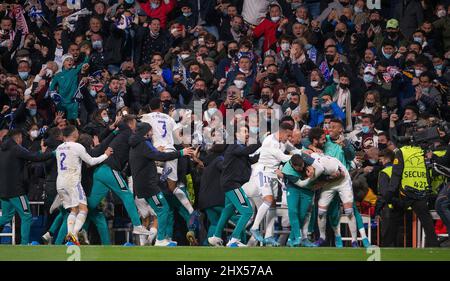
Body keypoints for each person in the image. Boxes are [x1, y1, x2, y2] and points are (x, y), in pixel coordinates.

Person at [140, 98, 200, 244]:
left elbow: (136, 129)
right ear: (161, 106)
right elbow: (178, 138)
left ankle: (156, 237)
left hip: (156, 153)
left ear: (149, 107)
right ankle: (191, 211)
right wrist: (189, 148)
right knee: (173, 187)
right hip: (171, 152)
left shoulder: (145, 117)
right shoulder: (168, 118)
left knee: (155, 180)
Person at [129, 122, 194, 246]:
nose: (152, 133)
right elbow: (160, 156)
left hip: (142, 185)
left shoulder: (135, 145)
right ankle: (160, 240)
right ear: (145, 132)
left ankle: (154, 240)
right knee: (163, 209)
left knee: (160, 210)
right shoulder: (144, 144)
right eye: (151, 130)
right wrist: (180, 153)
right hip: (149, 186)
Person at [87, 114, 151, 237]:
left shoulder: (123, 133)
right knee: (126, 194)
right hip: (110, 170)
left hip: (100, 171)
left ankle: (74, 230)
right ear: (131, 123)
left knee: (89, 206)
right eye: (135, 123)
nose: (137, 126)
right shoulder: (127, 132)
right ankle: (137, 226)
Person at [55, 125, 113, 245]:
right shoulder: (77, 146)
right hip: (72, 182)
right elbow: (91, 161)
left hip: (60, 182)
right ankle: (74, 234)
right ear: (74, 134)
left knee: (73, 210)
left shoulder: (59, 147)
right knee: (84, 209)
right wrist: (106, 155)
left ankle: (70, 237)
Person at [208, 125, 260, 248]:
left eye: (248, 131)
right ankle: (234, 239)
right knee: (247, 211)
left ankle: (216, 236)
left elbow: (250, 159)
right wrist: (260, 141)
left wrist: (265, 154)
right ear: (236, 134)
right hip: (232, 184)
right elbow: (247, 151)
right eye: (244, 131)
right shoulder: (235, 145)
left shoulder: (239, 148)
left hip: (230, 184)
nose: (247, 134)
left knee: (227, 211)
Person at [0, 129, 53, 244]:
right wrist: (51, 154)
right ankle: (24, 245)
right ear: (18, 137)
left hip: (3, 191)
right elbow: (35, 157)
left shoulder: (2, 149)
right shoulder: (16, 148)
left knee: (6, 217)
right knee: (26, 216)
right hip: (16, 191)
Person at [386, 143, 440, 247]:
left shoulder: (401, 151)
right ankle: (434, 246)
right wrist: (427, 188)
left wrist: (390, 191)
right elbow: (426, 171)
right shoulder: (421, 151)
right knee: (426, 220)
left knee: (394, 219)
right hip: (420, 190)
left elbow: (397, 173)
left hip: (405, 191)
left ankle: (387, 245)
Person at [249, 123, 294, 246]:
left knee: (272, 204)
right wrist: (303, 157)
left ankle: (269, 235)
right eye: (288, 136)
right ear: (282, 132)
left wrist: (306, 151)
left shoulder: (283, 141)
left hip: (273, 174)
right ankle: (254, 227)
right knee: (268, 200)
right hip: (263, 172)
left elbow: (293, 149)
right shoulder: (270, 141)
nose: (289, 139)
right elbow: (284, 158)